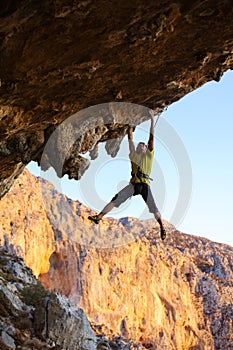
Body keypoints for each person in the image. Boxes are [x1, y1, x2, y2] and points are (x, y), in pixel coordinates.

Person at [88, 109, 166, 240]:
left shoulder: (149, 156)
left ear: (146, 149)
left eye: (143, 146)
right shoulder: (133, 155)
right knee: (116, 199)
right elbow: (130, 139)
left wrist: (152, 119)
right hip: (134, 184)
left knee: (154, 208)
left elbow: (151, 138)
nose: (141, 146)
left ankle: (162, 228)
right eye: (139, 145)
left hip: (144, 185)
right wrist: (129, 126)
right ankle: (99, 217)